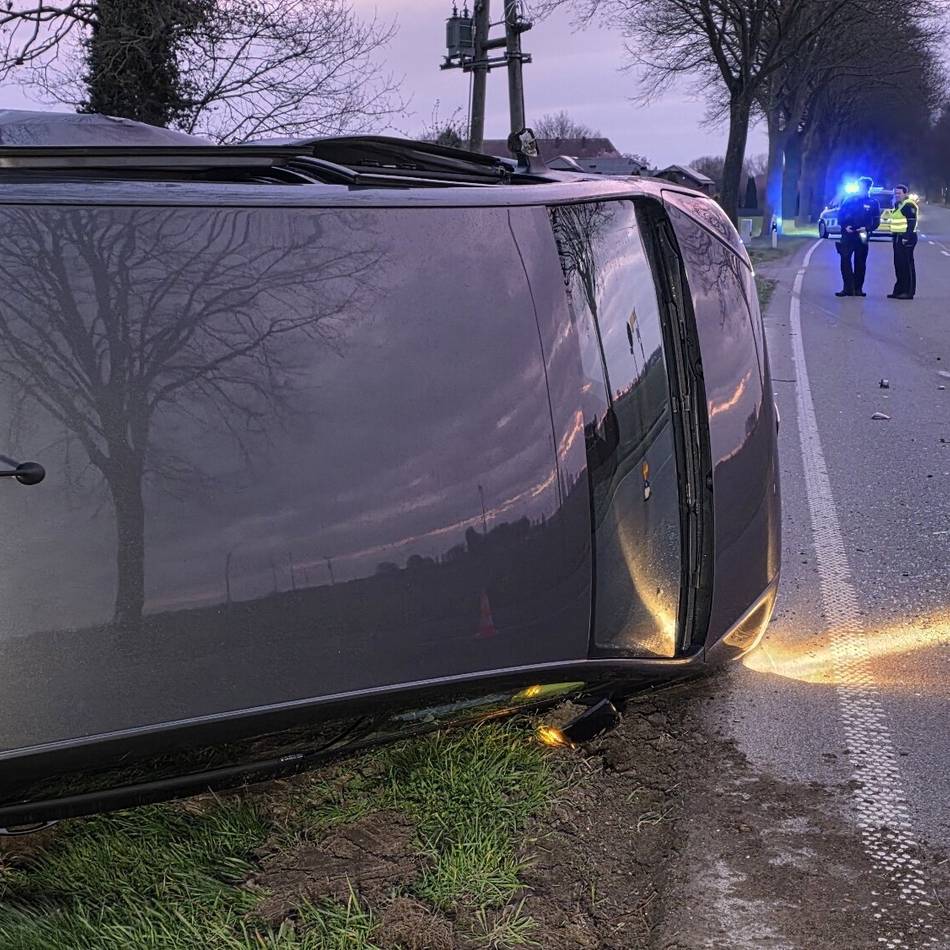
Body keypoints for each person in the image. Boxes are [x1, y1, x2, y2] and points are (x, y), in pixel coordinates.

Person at [836, 177, 881, 297]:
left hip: (862, 233)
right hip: (848, 232)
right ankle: (847, 288)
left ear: (867, 188)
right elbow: (840, 215)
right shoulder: (849, 200)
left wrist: (866, 229)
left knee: (860, 262)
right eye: (859, 186)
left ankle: (858, 288)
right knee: (845, 260)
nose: (860, 188)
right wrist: (845, 226)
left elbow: (876, 222)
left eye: (862, 186)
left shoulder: (873, 203)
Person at [887, 184, 918, 300]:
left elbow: (911, 222)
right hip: (897, 237)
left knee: (907, 265)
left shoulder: (908, 205)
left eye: (899, 193)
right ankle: (899, 290)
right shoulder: (897, 205)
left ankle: (908, 292)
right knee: (899, 265)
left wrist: (906, 237)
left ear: (905, 193)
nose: (897, 195)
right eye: (895, 193)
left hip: (907, 238)